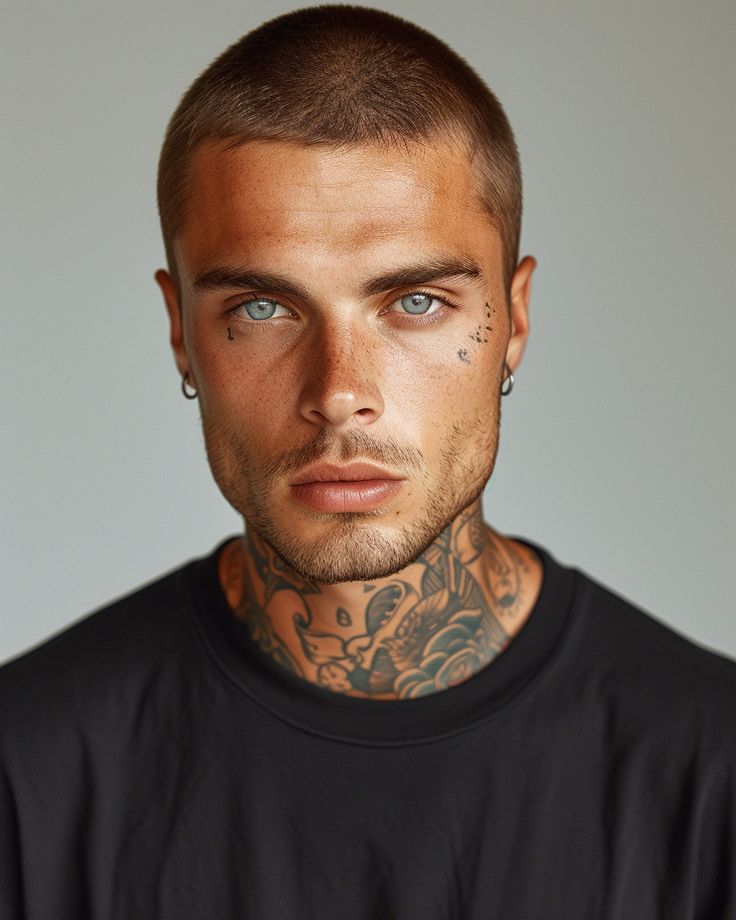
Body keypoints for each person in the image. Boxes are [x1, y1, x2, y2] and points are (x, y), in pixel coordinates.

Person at [1, 6, 734, 918]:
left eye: (416, 301)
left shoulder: (709, 772)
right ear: (180, 334)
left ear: (514, 320)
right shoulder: (26, 770)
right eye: (263, 309)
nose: (340, 392)